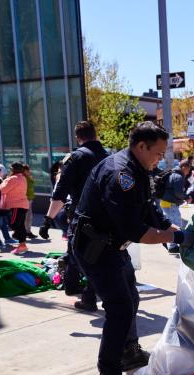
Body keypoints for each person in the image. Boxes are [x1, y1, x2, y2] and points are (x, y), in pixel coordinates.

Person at [72, 121, 194, 375]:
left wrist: (171, 229)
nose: (160, 159)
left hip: (113, 247)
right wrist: (175, 238)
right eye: (158, 153)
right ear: (141, 146)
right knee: (119, 309)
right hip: (96, 249)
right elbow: (136, 231)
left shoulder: (139, 170)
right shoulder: (121, 175)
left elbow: (148, 210)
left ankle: (128, 352)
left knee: (131, 298)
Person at [40, 121, 109, 312]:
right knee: (88, 252)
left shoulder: (75, 158)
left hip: (82, 215)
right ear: (95, 135)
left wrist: (47, 220)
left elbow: (60, 192)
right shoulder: (108, 156)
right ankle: (73, 285)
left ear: (78, 137)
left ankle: (87, 295)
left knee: (83, 254)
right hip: (106, 216)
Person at [161, 160, 191, 254]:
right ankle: (173, 247)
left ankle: (170, 244)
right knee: (176, 225)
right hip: (170, 204)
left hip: (166, 203)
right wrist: (186, 197)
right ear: (183, 167)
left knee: (172, 224)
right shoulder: (178, 176)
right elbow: (178, 192)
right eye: (188, 169)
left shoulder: (173, 174)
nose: (189, 171)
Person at [0, 162, 29, 255]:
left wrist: (4, 181)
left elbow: (3, 189)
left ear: (13, 170)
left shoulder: (13, 178)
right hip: (23, 205)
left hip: (17, 205)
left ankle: (18, 239)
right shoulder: (23, 177)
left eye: (11, 169)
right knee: (20, 225)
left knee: (13, 224)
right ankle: (22, 245)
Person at [21, 164, 38, 239]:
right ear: (23, 170)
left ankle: (28, 231)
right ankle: (25, 232)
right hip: (25, 199)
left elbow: (32, 184)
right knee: (25, 217)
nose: (29, 171)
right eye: (27, 170)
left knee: (29, 216)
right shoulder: (22, 178)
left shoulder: (28, 177)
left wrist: (30, 177)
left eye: (29, 169)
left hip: (29, 199)